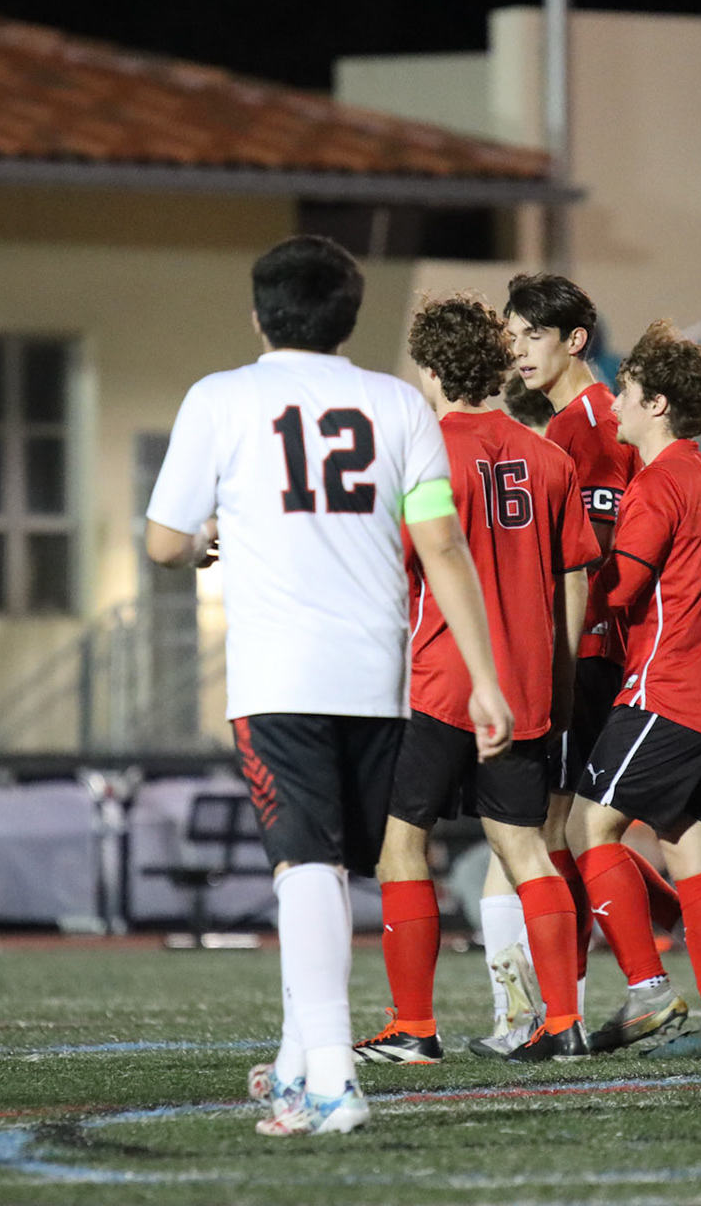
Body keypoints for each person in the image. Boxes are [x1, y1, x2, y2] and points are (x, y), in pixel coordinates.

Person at [145, 236, 512, 1137]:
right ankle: (295, 1061)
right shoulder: (399, 404)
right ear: (351, 317)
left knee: (303, 865)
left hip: (280, 674)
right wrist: (486, 678)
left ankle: (334, 1079)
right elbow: (442, 545)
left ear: (259, 313)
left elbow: (161, 542)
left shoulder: (220, 397)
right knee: (328, 868)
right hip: (377, 674)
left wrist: (202, 544)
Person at [351, 295, 599, 1066]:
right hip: (525, 684)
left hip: (438, 678)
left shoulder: (417, 454)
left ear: (427, 369)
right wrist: (559, 686)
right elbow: (573, 582)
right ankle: (564, 1021)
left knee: (402, 846)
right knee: (525, 848)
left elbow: (391, 578)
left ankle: (413, 1027)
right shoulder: (549, 457)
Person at [489, 272, 691, 1051]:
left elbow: (597, 559)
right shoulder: (574, 423)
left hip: (591, 648)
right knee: (565, 830)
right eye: (513, 336)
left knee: (558, 832)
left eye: (533, 335)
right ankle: (663, 933)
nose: (520, 350)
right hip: (596, 647)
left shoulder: (591, 425)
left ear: (575, 340)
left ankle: (567, 1009)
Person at [572, 320, 701, 1060]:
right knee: (690, 846)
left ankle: (649, 992)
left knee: (587, 828)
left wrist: (563, 565)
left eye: (625, 389)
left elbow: (617, 590)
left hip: (666, 690)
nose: (614, 401)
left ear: (655, 404)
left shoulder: (657, 483)